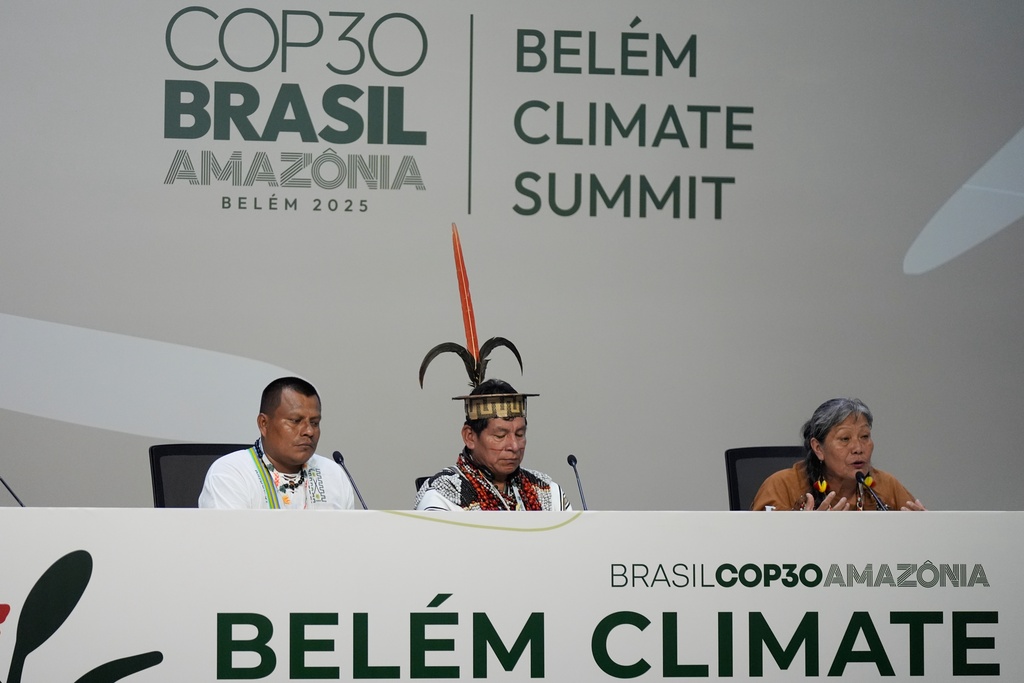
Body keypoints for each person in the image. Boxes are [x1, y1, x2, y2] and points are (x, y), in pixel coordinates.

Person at [199, 377, 356, 510]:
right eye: (296, 421)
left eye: (314, 423)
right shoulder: (231, 473)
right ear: (264, 424)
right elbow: (228, 536)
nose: (309, 431)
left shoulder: (334, 474)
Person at [415, 379, 572, 511]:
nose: (514, 446)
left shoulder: (547, 491)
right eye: (500, 436)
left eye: (519, 434)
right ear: (470, 436)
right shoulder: (443, 496)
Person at [750, 397, 926, 511]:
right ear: (818, 448)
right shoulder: (783, 486)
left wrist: (925, 528)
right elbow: (761, 546)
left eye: (865, 437)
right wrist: (807, 532)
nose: (858, 448)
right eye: (845, 439)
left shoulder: (885, 486)